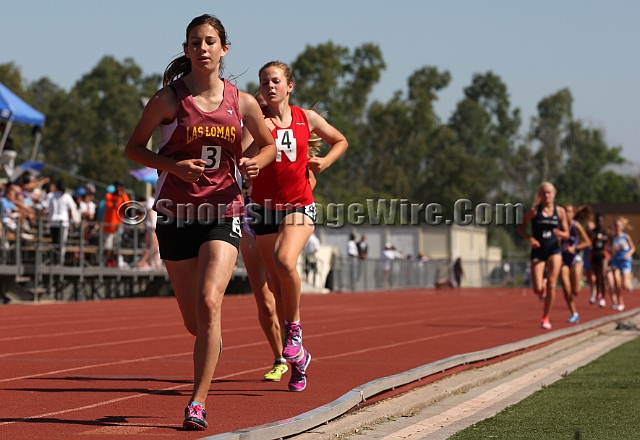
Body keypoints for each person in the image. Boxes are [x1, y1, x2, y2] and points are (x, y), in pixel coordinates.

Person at [125, 14, 276, 431]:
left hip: (222, 211)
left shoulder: (242, 102)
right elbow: (134, 149)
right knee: (195, 321)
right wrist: (172, 165)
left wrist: (253, 163)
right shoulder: (168, 99)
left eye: (210, 41)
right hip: (176, 213)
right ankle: (211, 341)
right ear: (187, 49)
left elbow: (268, 148)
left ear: (224, 49)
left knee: (211, 302)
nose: (203, 48)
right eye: (195, 42)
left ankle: (196, 402)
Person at [245, 60, 347, 392]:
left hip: (299, 205)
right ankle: (299, 359)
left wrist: (324, 162)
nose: (268, 86)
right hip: (262, 210)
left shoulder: (307, 118)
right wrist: (246, 159)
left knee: (285, 260)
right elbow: (241, 155)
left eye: (274, 81)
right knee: (276, 286)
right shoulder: (257, 122)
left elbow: (340, 140)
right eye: (263, 82)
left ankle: (294, 330)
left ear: (289, 86)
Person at [518, 182, 569, 330]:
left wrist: (561, 234)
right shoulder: (534, 211)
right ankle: (542, 288)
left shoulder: (560, 212)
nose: (547, 195)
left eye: (549, 193)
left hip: (554, 250)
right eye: (544, 193)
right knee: (536, 288)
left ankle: (545, 317)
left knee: (553, 284)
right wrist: (530, 239)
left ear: (554, 194)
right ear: (540, 195)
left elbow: (566, 232)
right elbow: (521, 227)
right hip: (538, 251)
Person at [559, 204, 592, 324]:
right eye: (565, 211)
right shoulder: (560, 226)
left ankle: (581, 283)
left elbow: (587, 242)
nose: (566, 214)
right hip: (563, 259)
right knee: (566, 288)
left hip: (575, 259)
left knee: (576, 291)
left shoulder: (575, 226)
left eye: (569, 212)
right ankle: (574, 313)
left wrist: (575, 247)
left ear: (573, 214)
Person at [41, 180, 78, 265]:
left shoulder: (51, 195)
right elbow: (70, 210)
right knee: (60, 242)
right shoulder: (66, 196)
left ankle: (56, 260)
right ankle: (58, 261)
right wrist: (71, 221)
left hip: (54, 222)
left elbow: (44, 207)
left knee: (56, 242)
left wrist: (38, 214)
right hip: (62, 222)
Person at [609, 217, 635, 311]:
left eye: (619, 225)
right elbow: (611, 252)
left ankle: (629, 281)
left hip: (625, 262)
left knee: (625, 285)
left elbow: (633, 248)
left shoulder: (626, 236)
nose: (617, 227)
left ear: (622, 227)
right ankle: (621, 302)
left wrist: (628, 254)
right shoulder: (613, 238)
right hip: (616, 262)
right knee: (617, 283)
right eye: (616, 225)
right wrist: (613, 250)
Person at [102, 181, 130, 267]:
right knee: (108, 246)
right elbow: (111, 206)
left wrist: (123, 195)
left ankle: (113, 260)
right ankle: (107, 260)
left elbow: (128, 206)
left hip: (118, 226)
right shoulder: (109, 196)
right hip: (109, 226)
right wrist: (117, 197)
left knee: (116, 245)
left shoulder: (123, 196)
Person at [136, 187, 162, 268]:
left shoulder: (155, 201)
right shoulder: (151, 200)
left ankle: (155, 264)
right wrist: (153, 224)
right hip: (152, 227)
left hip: (152, 227)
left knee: (151, 246)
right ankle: (141, 262)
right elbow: (151, 212)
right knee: (153, 246)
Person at [589, 213, 609, 308]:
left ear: (603, 221)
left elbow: (610, 241)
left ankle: (603, 297)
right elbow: (589, 239)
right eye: (598, 221)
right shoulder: (593, 232)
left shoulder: (606, 232)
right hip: (595, 255)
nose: (599, 222)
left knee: (603, 276)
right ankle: (598, 295)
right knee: (597, 277)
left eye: (601, 221)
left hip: (603, 255)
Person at [583, 220, 597, 304]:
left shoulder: (596, 236)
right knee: (589, 278)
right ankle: (593, 291)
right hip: (586, 258)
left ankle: (595, 293)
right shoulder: (584, 236)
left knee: (593, 277)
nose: (590, 229)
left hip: (594, 258)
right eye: (588, 227)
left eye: (591, 227)